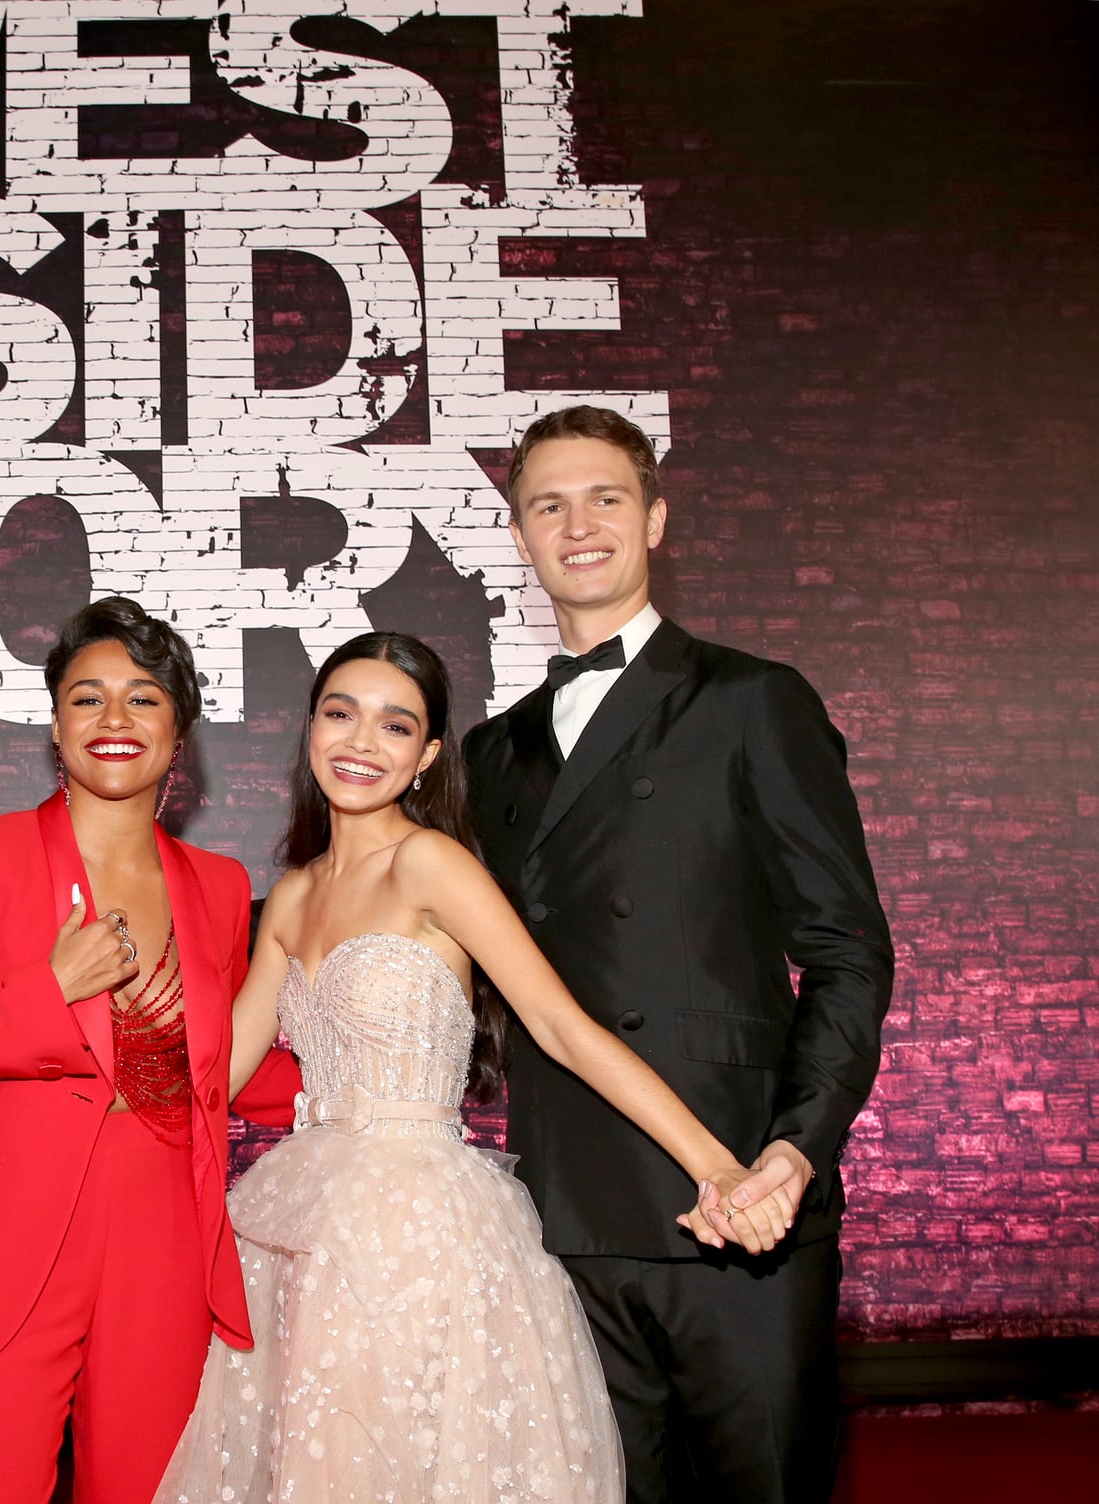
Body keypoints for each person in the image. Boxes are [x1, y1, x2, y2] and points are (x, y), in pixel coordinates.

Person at [162, 631, 784, 1504]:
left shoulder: (431, 863)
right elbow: (215, 1079)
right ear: (309, 731)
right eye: (341, 715)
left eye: (394, 726)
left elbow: (562, 1026)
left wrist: (715, 1161)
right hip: (300, 1225)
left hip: (421, 1231)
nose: (361, 743)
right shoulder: (295, 892)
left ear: (424, 758)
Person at [461, 405, 893, 1502]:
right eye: (546, 505)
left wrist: (795, 1150)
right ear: (518, 537)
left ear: (653, 518)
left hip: (736, 1198)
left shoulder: (752, 699)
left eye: (604, 496)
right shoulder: (487, 750)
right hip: (566, 1212)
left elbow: (844, 948)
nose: (578, 524)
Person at [0, 596, 302, 1504]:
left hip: (161, 1241)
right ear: (56, 725)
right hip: (3, 1243)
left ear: (178, 731)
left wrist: (358, 1098)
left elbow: (224, 1062)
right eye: (87, 697)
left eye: (144, 699)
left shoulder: (221, 887)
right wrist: (48, 989)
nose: (116, 720)